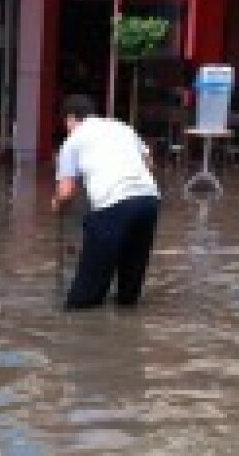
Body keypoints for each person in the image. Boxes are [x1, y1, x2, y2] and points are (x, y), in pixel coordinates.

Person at [51, 94, 161, 311]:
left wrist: (56, 204)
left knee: (82, 301)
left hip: (113, 205)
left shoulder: (72, 141)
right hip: (149, 200)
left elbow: (66, 192)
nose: (66, 128)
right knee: (129, 292)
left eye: (66, 123)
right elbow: (149, 164)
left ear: (71, 118)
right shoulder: (121, 127)